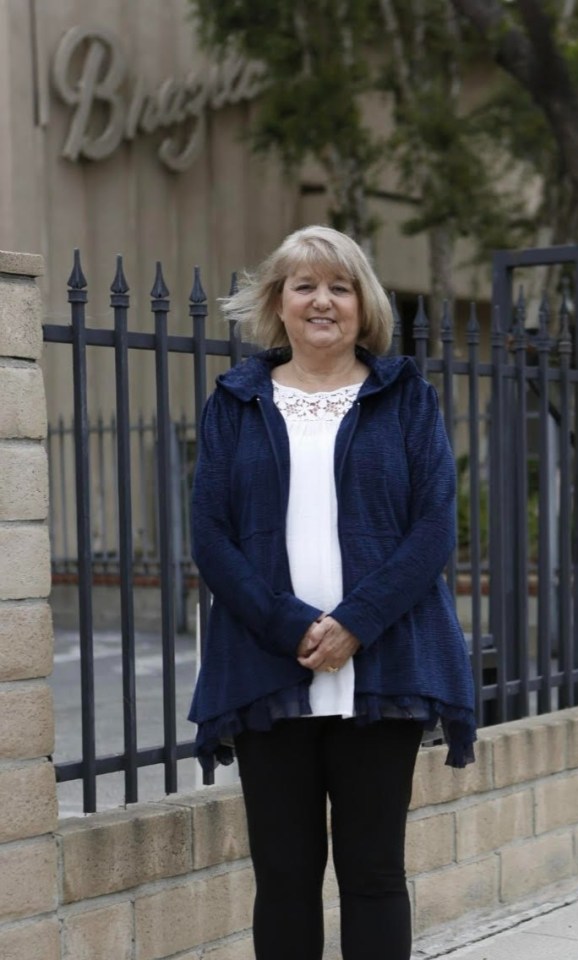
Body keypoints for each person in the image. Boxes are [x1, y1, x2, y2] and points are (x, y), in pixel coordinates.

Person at [189, 225, 476, 960]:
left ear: (363, 304)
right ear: (278, 303)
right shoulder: (235, 401)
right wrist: (291, 627)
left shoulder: (405, 398)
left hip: (381, 666)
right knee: (283, 875)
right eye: (304, 285)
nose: (323, 301)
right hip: (267, 667)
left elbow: (433, 529)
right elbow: (211, 537)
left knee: (374, 872)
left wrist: (353, 623)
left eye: (340, 286)